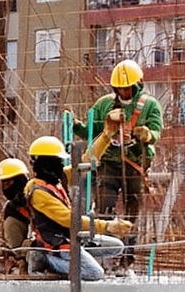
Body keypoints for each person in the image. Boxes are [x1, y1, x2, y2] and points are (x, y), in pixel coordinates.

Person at [71, 59, 162, 265]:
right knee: (105, 207)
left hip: (135, 164)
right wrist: (77, 127)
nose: (124, 92)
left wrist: (147, 135)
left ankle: (127, 256)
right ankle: (104, 253)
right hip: (108, 163)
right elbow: (91, 131)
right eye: (120, 89)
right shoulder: (104, 105)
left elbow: (155, 130)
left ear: (137, 86)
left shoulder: (149, 106)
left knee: (132, 210)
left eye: (127, 88)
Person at [24, 136, 131, 281]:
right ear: (45, 164)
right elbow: (69, 220)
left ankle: (78, 257)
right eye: (57, 161)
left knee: (116, 246)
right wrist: (106, 226)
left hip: (71, 238)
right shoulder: (38, 193)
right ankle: (46, 261)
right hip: (56, 246)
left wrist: (106, 135)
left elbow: (86, 162)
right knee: (94, 273)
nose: (61, 164)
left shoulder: (56, 180)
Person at [0, 157, 31, 271]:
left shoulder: (37, 195)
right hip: (25, 250)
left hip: (44, 244)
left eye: (9, 182)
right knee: (11, 223)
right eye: (4, 183)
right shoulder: (11, 209)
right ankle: (20, 262)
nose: (6, 188)